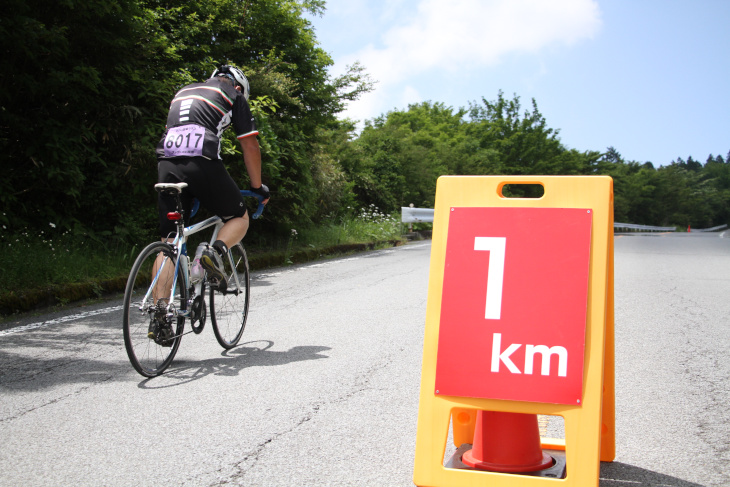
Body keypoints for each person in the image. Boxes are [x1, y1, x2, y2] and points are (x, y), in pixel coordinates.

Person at [152, 65, 269, 333]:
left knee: (169, 241)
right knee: (239, 218)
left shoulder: (184, 91)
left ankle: (159, 314)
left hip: (166, 163)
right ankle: (212, 253)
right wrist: (257, 186)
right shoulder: (233, 94)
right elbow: (250, 144)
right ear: (239, 86)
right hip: (202, 161)